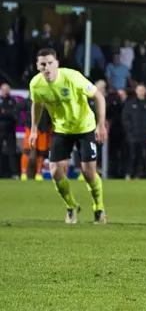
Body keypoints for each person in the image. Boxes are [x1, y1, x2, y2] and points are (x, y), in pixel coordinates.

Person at [29, 48, 108, 224]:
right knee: (55, 171)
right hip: (61, 130)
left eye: (50, 63)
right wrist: (34, 128)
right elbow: (37, 104)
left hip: (85, 128)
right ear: (37, 66)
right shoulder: (36, 84)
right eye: (43, 64)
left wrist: (101, 125)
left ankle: (99, 208)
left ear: (56, 63)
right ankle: (71, 206)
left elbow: (99, 96)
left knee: (89, 173)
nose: (47, 67)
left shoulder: (73, 77)